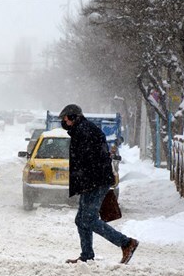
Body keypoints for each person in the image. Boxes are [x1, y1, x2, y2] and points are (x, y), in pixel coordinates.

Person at [59, 104, 139, 264]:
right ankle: (87, 255)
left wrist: (87, 181)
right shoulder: (82, 129)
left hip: (94, 182)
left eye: (65, 118)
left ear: (73, 116)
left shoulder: (84, 131)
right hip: (91, 181)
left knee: (88, 219)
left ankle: (126, 243)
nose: (64, 121)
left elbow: (90, 160)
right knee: (81, 219)